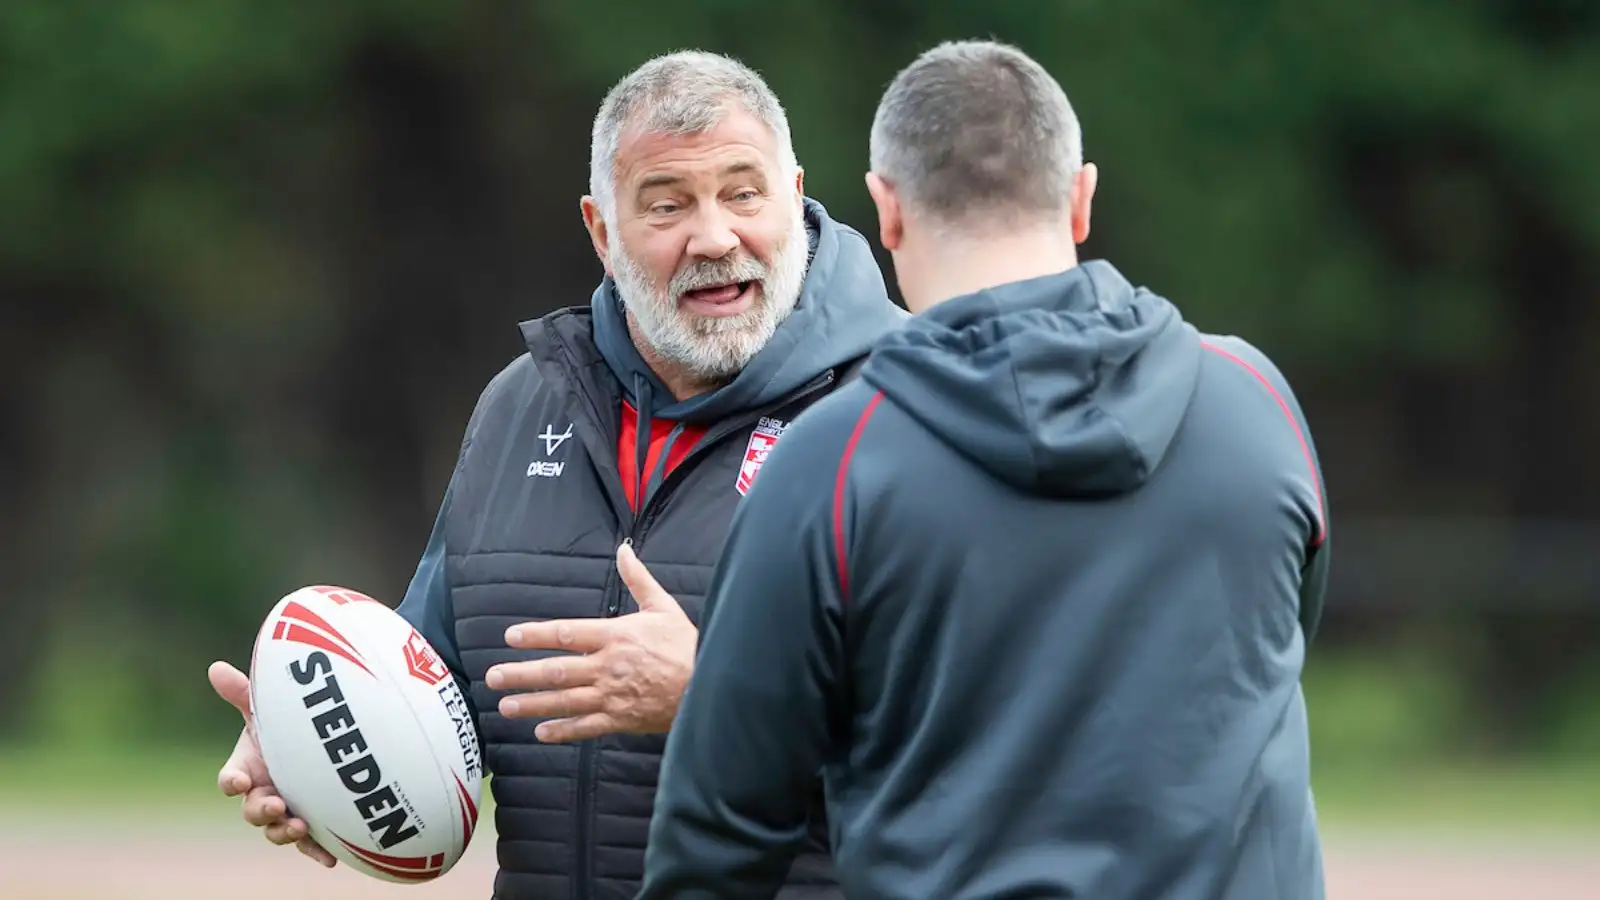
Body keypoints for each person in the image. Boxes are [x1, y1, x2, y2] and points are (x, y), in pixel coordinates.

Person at [205, 49, 907, 899]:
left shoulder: (905, 410)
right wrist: (316, 746)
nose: (715, 236)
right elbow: (437, 688)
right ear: (602, 232)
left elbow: (982, 751)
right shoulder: (521, 404)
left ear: (794, 196)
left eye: (743, 193)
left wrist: (717, 694)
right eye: (668, 205)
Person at [639, 39, 1331, 900]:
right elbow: (1283, 638)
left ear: (886, 212)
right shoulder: (1256, 400)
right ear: (1080, 200)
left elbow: (719, 838)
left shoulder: (830, 462)